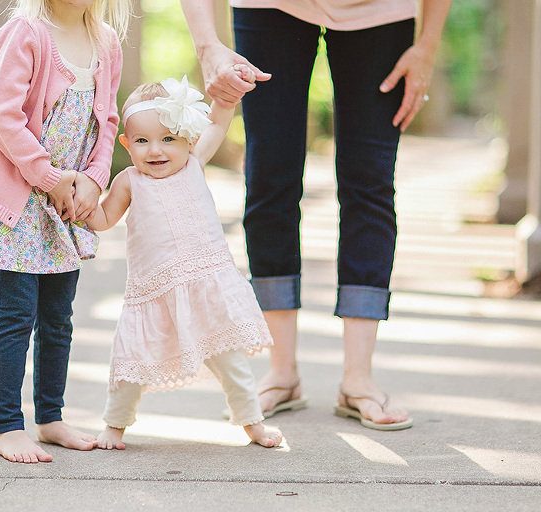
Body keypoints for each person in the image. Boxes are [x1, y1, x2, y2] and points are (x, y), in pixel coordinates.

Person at [180, 0, 453, 430]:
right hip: (270, 7)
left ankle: (358, 380)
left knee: (370, 182)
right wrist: (207, 45)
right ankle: (282, 372)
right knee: (270, 176)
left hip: (380, 12)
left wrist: (428, 44)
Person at [0, 0, 130, 463]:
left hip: (66, 203)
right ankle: (5, 426)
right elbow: (0, 114)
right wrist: (50, 177)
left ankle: (50, 417)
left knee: (58, 316)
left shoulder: (105, 42)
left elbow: (107, 123)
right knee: (17, 312)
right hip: (20, 197)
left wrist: (92, 178)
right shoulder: (26, 33)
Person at [86, 75, 284, 449]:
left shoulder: (194, 162)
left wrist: (227, 95)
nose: (155, 151)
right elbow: (103, 219)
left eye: (168, 139)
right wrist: (75, 203)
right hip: (154, 291)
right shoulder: (129, 180)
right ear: (127, 144)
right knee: (132, 365)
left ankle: (252, 423)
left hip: (205, 286)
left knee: (233, 365)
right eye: (142, 141)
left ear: (188, 139)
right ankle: (114, 425)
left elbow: (220, 121)